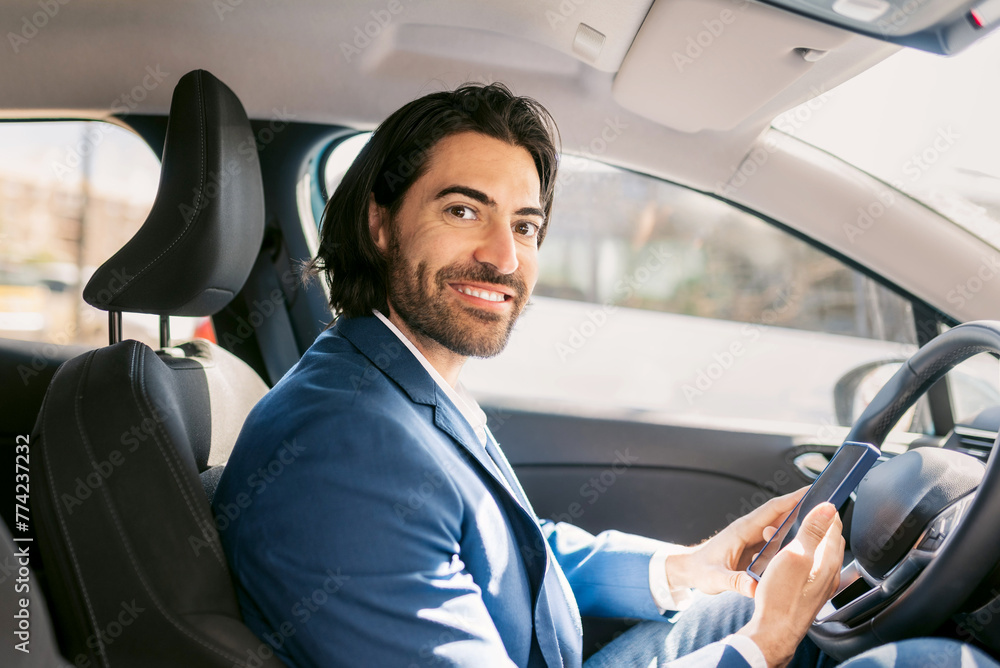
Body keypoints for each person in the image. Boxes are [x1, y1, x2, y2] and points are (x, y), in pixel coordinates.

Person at [211, 83, 998, 668]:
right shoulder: (341, 450)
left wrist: (683, 568)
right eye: (463, 211)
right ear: (379, 225)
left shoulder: (392, 376)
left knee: (772, 607)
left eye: (525, 224)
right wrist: (759, 647)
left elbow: (510, 545)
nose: (504, 255)